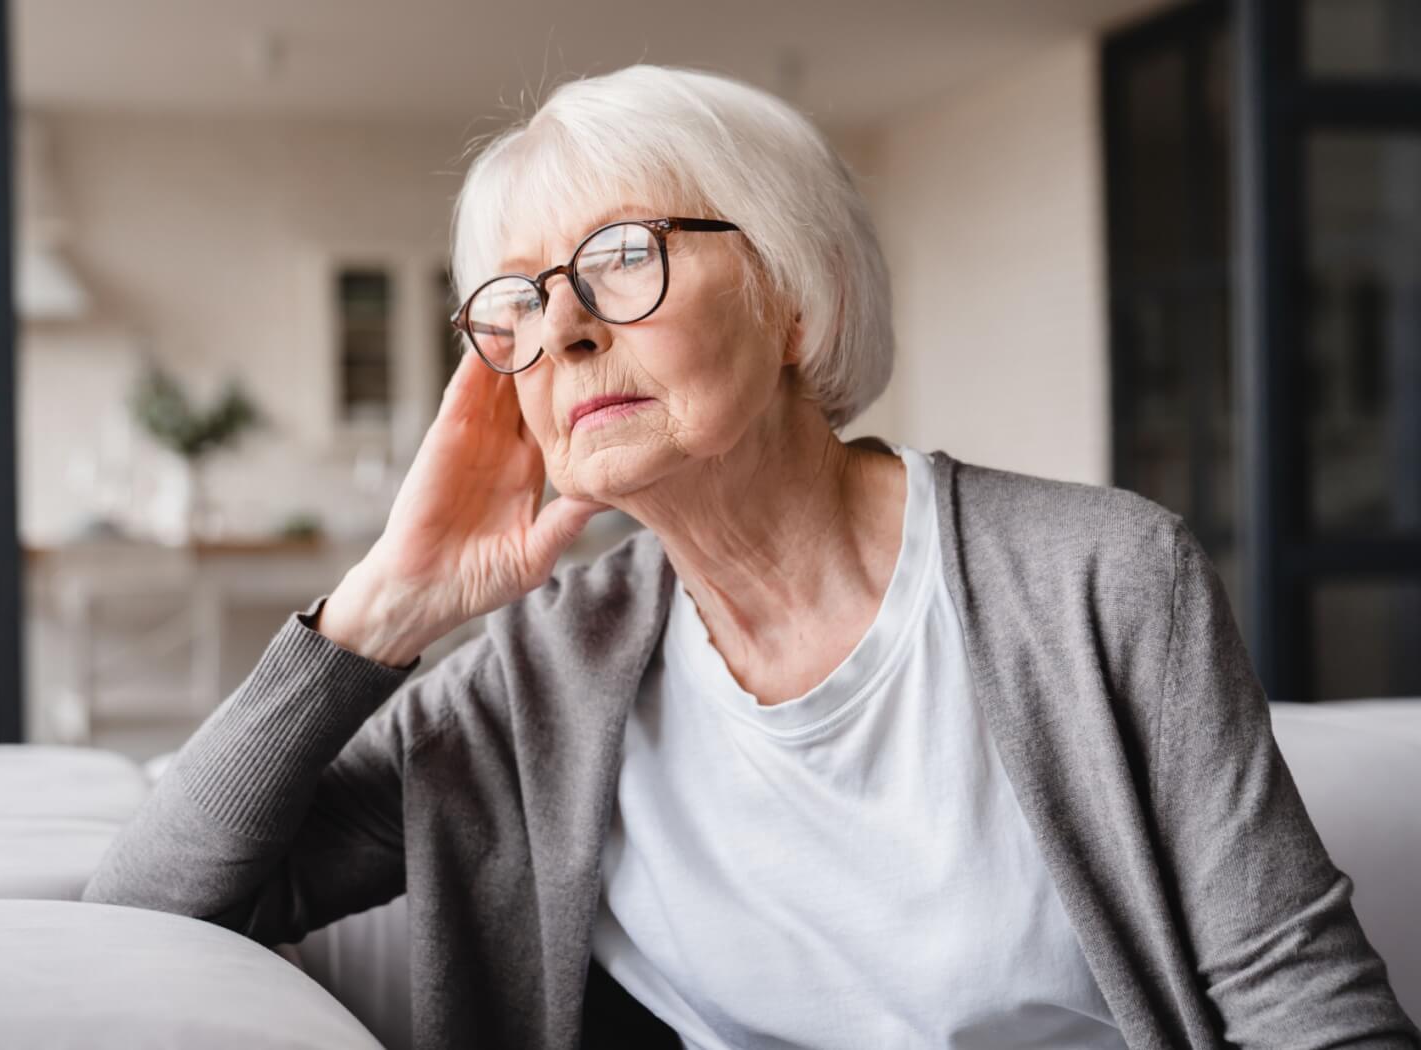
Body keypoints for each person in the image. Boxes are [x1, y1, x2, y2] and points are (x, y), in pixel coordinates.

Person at [82, 64, 1420, 1049]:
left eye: (621, 259)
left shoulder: (1099, 578)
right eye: (521, 302)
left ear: (792, 294)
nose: (567, 332)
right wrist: (381, 605)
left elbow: (1316, 1015)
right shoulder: (538, 674)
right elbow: (147, 905)